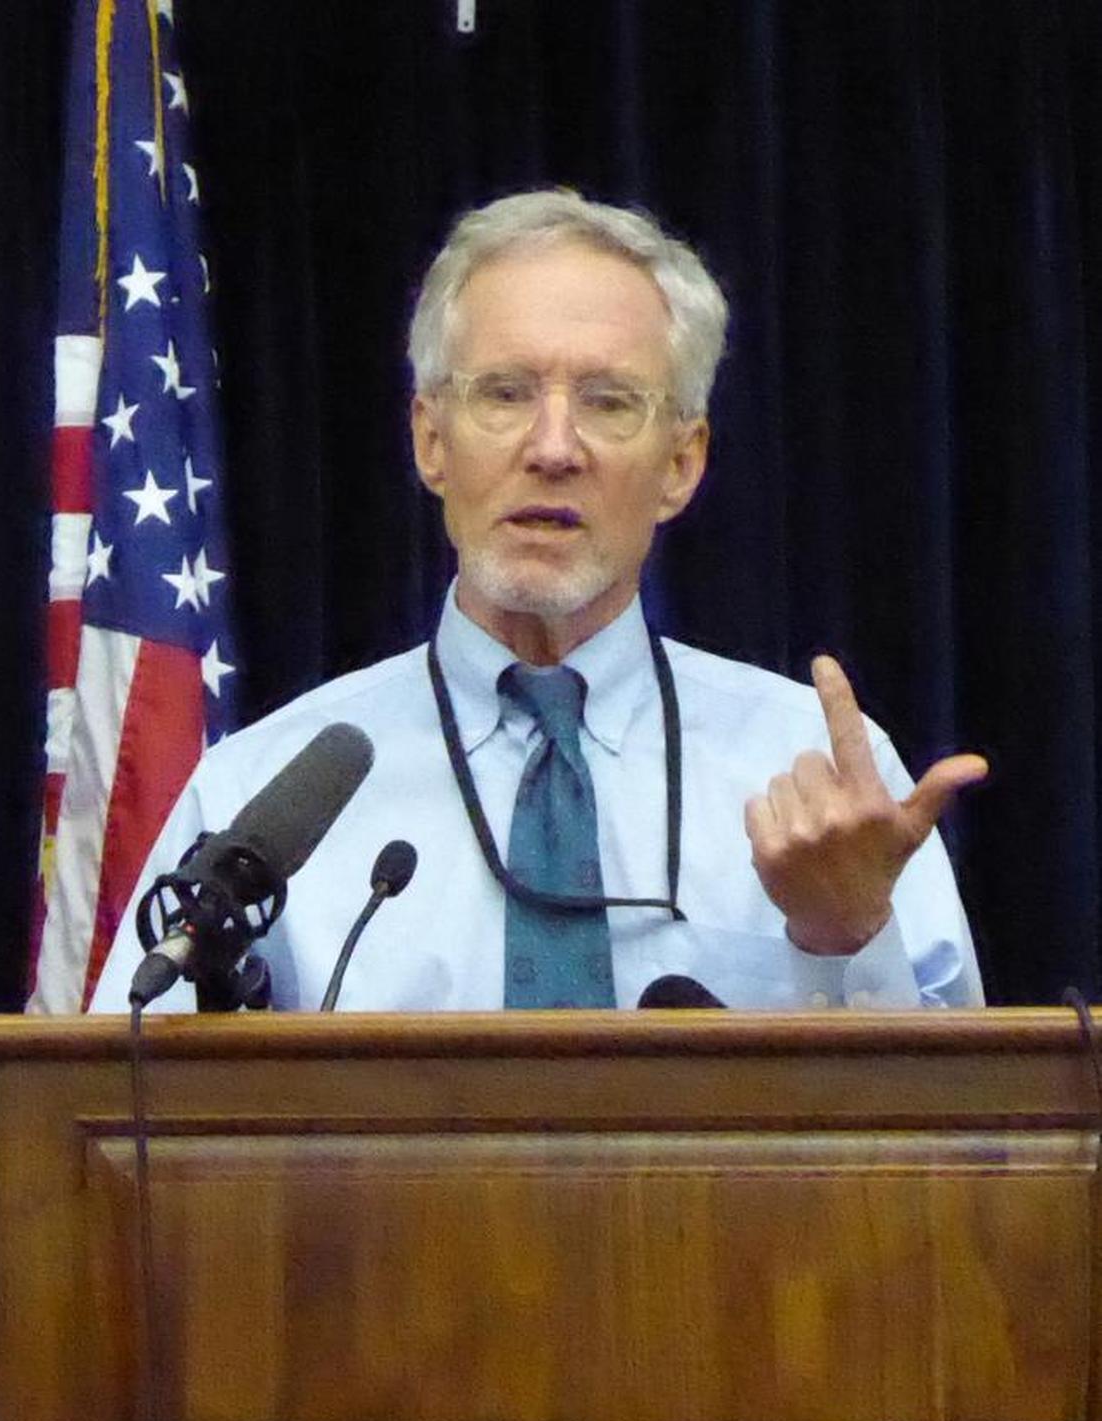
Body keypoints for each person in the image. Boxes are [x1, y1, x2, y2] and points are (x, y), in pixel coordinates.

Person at [92, 189, 985, 1014]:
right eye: (506, 394)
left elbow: (971, 1151)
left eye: (608, 402)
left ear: (682, 463)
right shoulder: (261, 800)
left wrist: (848, 935)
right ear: (431, 441)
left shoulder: (821, 776)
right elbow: (117, 1124)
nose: (553, 447)